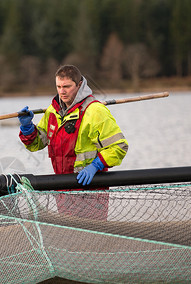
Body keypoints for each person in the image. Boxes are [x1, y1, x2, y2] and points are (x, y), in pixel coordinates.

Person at [18, 65, 128, 219]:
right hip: (63, 191)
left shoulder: (95, 111)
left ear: (79, 85)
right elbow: (35, 144)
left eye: (67, 87)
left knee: (92, 237)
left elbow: (119, 146)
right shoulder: (52, 111)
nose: (62, 91)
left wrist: (96, 165)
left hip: (91, 191)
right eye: (59, 86)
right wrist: (28, 128)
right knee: (70, 237)